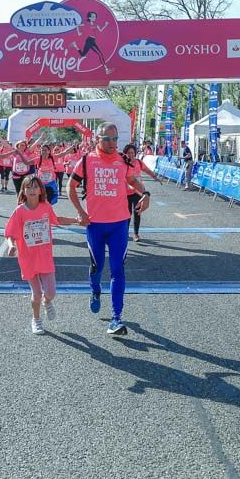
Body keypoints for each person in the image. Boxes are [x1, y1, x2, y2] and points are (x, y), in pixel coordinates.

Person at [68, 122, 149, 335]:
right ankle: (95, 291)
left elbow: (133, 180)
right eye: (107, 139)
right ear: (97, 138)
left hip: (119, 224)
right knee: (97, 267)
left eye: (115, 138)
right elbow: (71, 187)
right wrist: (80, 211)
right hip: (94, 225)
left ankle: (116, 318)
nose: (112, 143)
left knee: (117, 270)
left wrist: (145, 194)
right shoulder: (86, 161)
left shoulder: (123, 160)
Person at [5, 176, 78, 335]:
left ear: (40, 190)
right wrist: (11, 246)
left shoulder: (45, 206)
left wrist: (77, 220)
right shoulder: (19, 211)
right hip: (27, 257)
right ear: (23, 190)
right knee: (36, 293)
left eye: (35, 187)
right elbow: (10, 233)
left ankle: (47, 302)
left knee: (50, 292)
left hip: (44, 256)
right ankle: (36, 320)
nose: (32, 190)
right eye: (28, 187)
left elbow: (57, 220)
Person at [123, 143, 161, 243]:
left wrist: (155, 177)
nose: (131, 155)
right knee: (127, 214)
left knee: (137, 213)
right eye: (128, 153)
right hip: (126, 192)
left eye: (132, 153)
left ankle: (136, 234)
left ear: (135, 153)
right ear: (125, 153)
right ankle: (125, 233)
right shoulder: (123, 163)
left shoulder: (139, 163)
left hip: (138, 192)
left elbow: (147, 170)